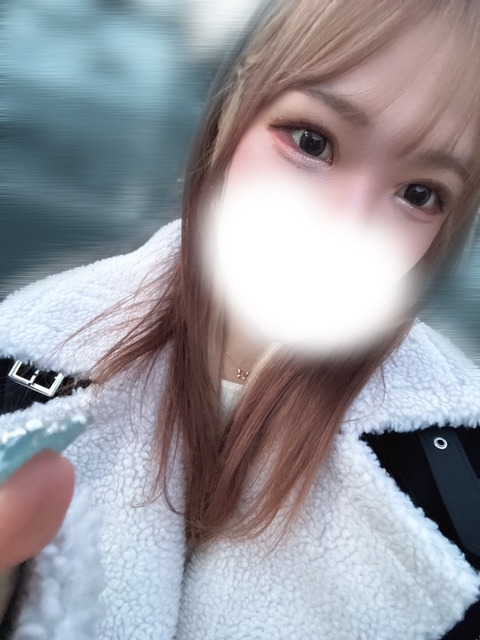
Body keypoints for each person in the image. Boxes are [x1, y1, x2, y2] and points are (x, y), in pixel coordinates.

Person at [0, 0, 480, 637]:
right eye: (311, 141)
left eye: (419, 193)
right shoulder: (23, 360)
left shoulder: (458, 471)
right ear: (232, 111)